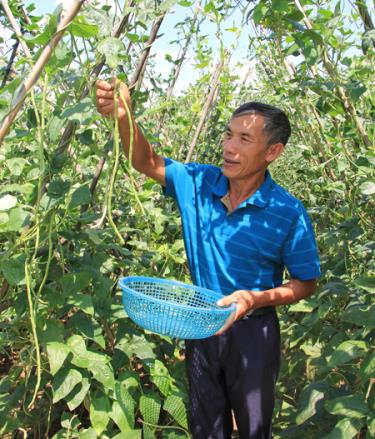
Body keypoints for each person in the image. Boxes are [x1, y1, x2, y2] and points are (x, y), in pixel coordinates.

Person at [96, 79, 321, 439]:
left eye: (244, 140)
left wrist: (255, 299)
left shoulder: (287, 212)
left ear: (273, 152)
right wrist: (124, 115)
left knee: (253, 427)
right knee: (206, 425)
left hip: (254, 334)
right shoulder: (199, 182)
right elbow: (146, 161)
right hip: (201, 326)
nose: (229, 148)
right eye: (228, 135)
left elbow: (305, 282)